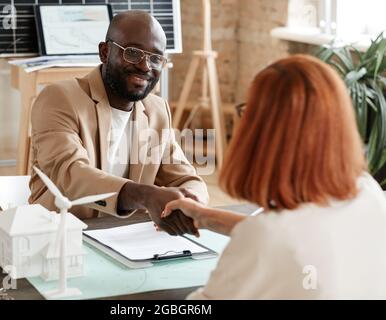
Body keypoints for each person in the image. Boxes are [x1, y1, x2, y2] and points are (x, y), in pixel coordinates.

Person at [163, 55, 386, 299]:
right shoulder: (368, 192)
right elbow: (298, 233)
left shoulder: (266, 239)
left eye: (248, 111)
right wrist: (203, 216)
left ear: (262, 131)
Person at [29, 10, 208, 236]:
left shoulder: (157, 110)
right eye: (132, 53)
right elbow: (70, 175)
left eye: (156, 58)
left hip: (125, 240)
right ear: (105, 52)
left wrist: (190, 202)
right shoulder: (60, 98)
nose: (145, 66)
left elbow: (187, 179)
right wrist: (146, 196)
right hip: (60, 239)